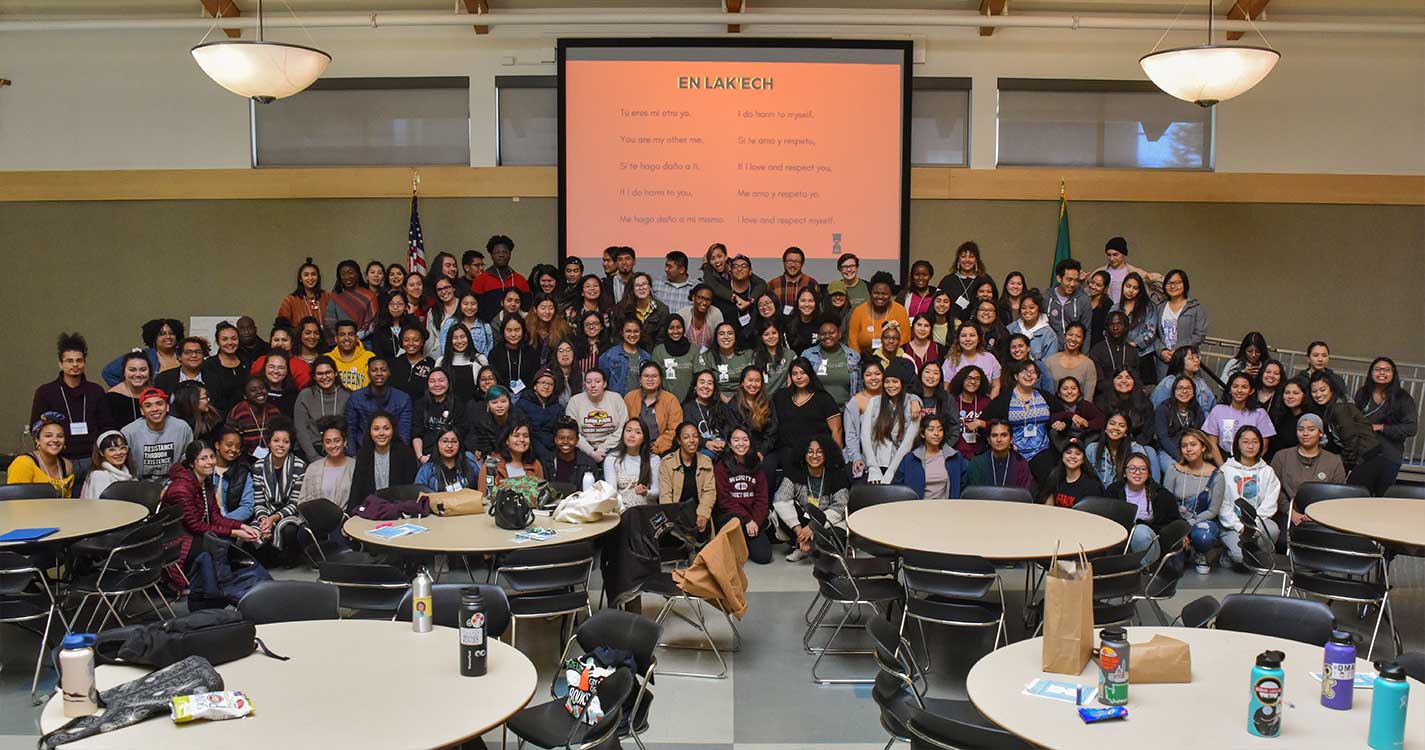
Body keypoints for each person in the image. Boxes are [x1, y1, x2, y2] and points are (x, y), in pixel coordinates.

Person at [161, 441, 261, 570]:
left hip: (194, 534)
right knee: (222, 548)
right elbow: (195, 526)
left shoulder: (205, 481)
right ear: (192, 463)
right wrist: (236, 533)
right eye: (203, 458)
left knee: (228, 545)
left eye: (212, 456)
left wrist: (242, 526)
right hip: (178, 539)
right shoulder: (182, 488)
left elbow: (215, 516)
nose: (210, 462)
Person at [1199, 427, 1279, 571]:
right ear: (1237, 444)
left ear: (1261, 444)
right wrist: (1239, 526)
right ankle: (1229, 553)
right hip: (1232, 525)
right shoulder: (1226, 470)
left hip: (1257, 523)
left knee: (1273, 530)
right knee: (1240, 557)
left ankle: (1258, 556)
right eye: (1245, 442)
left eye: (1255, 442)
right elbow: (1222, 505)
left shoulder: (1267, 471)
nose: (1250, 446)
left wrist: (1252, 525)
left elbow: (1270, 503)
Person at [31, 332, 111, 470]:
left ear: (84, 363)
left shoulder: (95, 391)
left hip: (92, 458)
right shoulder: (46, 392)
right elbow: (37, 427)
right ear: (60, 364)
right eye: (69, 361)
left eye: (79, 360)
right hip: (59, 458)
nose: (75, 365)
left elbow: (106, 425)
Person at [1310, 371, 1396, 495]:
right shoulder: (1332, 408)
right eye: (1314, 391)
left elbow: (1350, 439)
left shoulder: (1340, 408)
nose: (1318, 394)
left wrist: (1347, 466)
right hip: (1366, 457)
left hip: (1368, 458)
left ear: (1332, 389)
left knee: (1351, 498)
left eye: (1322, 390)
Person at [774, 436, 849, 562]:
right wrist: (800, 531)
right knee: (780, 512)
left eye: (819, 451)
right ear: (803, 453)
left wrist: (813, 527)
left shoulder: (837, 475)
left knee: (836, 538)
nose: (814, 455)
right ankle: (802, 543)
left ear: (827, 454)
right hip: (804, 520)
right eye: (810, 451)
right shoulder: (794, 472)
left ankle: (813, 547)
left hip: (829, 521)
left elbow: (840, 507)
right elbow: (781, 500)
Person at [1272, 413, 1347, 527]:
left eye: (1311, 429)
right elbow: (1274, 489)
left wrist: (1318, 515)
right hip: (1288, 515)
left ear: (1320, 433)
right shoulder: (1282, 457)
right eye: (1301, 429)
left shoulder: (1334, 461)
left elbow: (1339, 494)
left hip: (1324, 517)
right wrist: (1291, 512)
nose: (1305, 434)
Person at [1104, 452, 1182, 564]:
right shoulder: (1114, 491)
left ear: (1149, 473)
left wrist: (1181, 535)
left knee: (1140, 531)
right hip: (1120, 541)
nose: (1137, 473)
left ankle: (1142, 570)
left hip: (1151, 542)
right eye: (1132, 468)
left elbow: (1175, 521)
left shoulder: (1161, 494)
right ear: (1124, 473)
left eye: (1143, 469)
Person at [986, 359, 1055, 482]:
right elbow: (987, 420)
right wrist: (1008, 444)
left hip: (1041, 450)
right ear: (1016, 376)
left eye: (1033, 372)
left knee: (1048, 480)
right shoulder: (1004, 399)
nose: (1029, 375)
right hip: (1013, 451)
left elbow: (1060, 414)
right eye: (1024, 371)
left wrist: (1063, 422)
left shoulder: (1045, 396)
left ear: (1038, 378)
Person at [1161, 428, 1219, 572]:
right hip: (1176, 519)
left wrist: (1187, 526)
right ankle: (1184, 550)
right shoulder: (1173, 470)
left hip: (1201, 520)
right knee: (1174, 569)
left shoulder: (1217, 474)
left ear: (1203, 447)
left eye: (1193, 445)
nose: (1188, 449)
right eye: (1184, 446)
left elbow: (1213, 511)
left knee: (1203, 535)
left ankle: (1201, 552)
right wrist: (1179, 529)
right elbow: (1165, 503)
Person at [249, 420, 307, 564]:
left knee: (288, 530)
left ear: (290, 444)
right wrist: (264, 520)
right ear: (269, 443)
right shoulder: (258, 466)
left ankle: (289, 557)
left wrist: (273, 519)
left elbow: (296, 503)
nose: (280, 445)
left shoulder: (300, 466)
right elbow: (258, 501)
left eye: (285, 442)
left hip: (291, 514)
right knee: (254, 531)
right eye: (276, 440)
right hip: (265, 513)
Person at [1354, 356, 1417, 487]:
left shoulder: (1402, 398)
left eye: (1386, 370)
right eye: (1377, 369)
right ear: (1371, 372)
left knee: (1380, 499)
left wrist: (1381, 427)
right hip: (1364, 455)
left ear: (1393, 374)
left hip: (1389, 456)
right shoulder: (1363, 393)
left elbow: (1411, 428)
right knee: (1357, 495)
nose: (1382, 373)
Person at [714, 427, 772, 565]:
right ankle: (734, 542)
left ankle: (743, 541)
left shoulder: (756, 465)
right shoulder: (721, 466)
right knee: (735, 520)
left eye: (745, 440)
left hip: (751, 518)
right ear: (729, 443)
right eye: (736, 440)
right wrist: (747, 520)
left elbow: (762, 499)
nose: (741, 444)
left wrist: (755, 522)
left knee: (764, 557)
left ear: (750, 442)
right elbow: (724, 500)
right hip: (731, 518)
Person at [772, 358, 844, 462]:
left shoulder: (824, 398)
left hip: (816, 452)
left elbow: (836, 430)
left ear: (810, 374)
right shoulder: (781, 396)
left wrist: (836, 458)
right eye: (795, 374)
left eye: (803, 373)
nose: (799, 377)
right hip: (787, 452)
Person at [860, 361, 920, 485]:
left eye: (895, 381)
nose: (890, 385)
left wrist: (891, 472)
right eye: (887, 381)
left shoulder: (913, 404)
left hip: (902, 466)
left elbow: (908, 442)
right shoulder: (875, 402)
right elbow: (865, 436)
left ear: (902, 383)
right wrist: (873, 467)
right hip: (877, 463)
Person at [346, 412, 419, 511]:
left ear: (393, 430)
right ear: (369, 431)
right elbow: (357, 488)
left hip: (399, 511)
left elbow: (411, 489)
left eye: (386, 428)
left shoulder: (405, 453)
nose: (381, 433)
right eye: (376, 429)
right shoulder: (363, 454)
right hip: (371, 510)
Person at [122, 387, 193, 481]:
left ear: (167, 407)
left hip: (173, 483)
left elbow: (187, 458)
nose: (154, 409)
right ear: (142, 411)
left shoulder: (182, 428)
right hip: (138, 485)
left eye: (159, 404)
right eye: (148, 406)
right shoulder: (129, 432)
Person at [344, 358, 413, 454]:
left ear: (389, 372)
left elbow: (404, 433)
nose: (379, 373)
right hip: (363, 451)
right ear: (368, 373)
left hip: (393, 451)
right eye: (374, 370)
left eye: (383, 370)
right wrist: (352, 456)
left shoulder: (403, 399)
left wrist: (400, 457)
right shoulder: (356, 397)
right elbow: (350, 430)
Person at [1204, 372, 1276, 460]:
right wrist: (1223, 468)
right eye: (1235, 386)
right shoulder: (1218, 410)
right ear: (1230, 389)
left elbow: (1263, 447)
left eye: (1244, 387)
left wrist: (1247, 466)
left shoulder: (1260, 413)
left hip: (1250, 461)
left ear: (1251, 390)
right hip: (1222, 458)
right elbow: (1212, 443)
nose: (1239, 390)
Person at [661, 422, 717, 533]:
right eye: (686, 437)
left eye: (695, 436)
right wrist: (673, 519)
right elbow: (665, 495)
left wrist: (703, 514)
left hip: (700, 513)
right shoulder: (667, 462)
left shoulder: (706, 461)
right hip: (676, 515)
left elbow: (709, 491)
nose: (692, 440)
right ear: (679, 441)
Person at [1151, 269, 1208, 378]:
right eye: (1169, 283)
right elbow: (1154, 334)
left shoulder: (1195, 307)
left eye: (1177, 283)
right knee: (1166, 390)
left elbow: (1199, 334)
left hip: (1187, 360)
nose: (1173, 286)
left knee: (1186, 390)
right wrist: (1161, 350)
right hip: (1164, 361)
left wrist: (1178, 350)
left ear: (1185, 284)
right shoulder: (1160, 307)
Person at [893, 413, 964, 500]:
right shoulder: (910, 459)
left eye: (940, 429)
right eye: (931, 429)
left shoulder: (954, 457)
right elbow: (898, 487)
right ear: (923, 434)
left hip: (947, 509)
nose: (936, 433)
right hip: (918, 510)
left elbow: (963, 486)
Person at [566, 368, 628, 465]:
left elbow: (623, 427)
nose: (593, 385)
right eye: (588, 382)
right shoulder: (575, 401)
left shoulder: (615, 398)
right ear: (584, 385)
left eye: (598, 381)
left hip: (613, 448)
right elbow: (572, 432)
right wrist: (591, 452)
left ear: (604, 384)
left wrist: (603, 449)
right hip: (583, 449)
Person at [294, 357, 350, 460]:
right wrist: (314, 457)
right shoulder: (305, 395)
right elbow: (301, 430)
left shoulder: (347, 395)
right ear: (314, 377)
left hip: (340, 450)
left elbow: (351, 429)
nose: (324, 377)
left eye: (328, 372)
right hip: (312, 450)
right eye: (320, 374)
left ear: (335, 373)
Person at [622, 362, 682, 456]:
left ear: (660, 379)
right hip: (632, 448)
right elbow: (623, 425)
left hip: (661, 450)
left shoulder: (671, 400)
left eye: (654, 376)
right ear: (640, 380)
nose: (650, 379)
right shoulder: (629, 398)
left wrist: (656, 448)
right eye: (646, 376)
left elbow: (675, 429)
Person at [101, 318, 183, 387]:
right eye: (162, 334)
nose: (168, 337)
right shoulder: (143, 356)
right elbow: (108, 373)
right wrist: (130, 391)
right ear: (153, 337)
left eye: (172, 333)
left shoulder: (185, 355)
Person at [8, 413, 75, 497]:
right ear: (37, 440)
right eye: (48, 436)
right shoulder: (23, 463)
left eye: (60, 436)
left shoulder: (67, 465)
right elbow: (15, 501)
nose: (55, 440)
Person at [1087, 410, 1161, 486]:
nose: (1116, 428)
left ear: (1126, 432)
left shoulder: (1136, 450)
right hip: (1099, 495)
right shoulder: (1092, 449)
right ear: (1105, 428)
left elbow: (1143, 480)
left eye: (1121, 426)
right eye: (1112, 424)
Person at [846, 271, 910, 356]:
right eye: (876, 293)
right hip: (864, 362)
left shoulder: (900, 311)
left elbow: (904, 341)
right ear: (870, 293)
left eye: (884, 294)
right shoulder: (859, 311)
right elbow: (853, 343)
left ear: (891, 294)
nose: (880, 297)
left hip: (893, 360)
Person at [299, 417, 355, 509]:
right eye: (328, 442)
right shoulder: (313, 468)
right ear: (323, 445)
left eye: (337, 441)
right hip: (316, 520)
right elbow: (303, 501)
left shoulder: (355, 466)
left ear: (345, 442)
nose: (333, 446)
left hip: (347, 521)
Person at [801, 319, 861, 404]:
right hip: (816, 409)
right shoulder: (808, 355)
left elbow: (859, 387)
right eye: (823, 334)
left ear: (839, 334)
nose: (827, 336)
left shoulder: (853, 355)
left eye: (832, 333)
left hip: (846, 410)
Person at [471, 235, 531, 320]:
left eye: (505, 252)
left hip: (515, 330)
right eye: (497, 252)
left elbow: (527, 309)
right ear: (491, 255)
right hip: (489, 330)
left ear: (510, 254)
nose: (501, 255)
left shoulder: (520, 280)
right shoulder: (480, 280)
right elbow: (474, 309)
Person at [842, 360, 883, 479]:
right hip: (862, 455)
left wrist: (915, 399)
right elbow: (851, 435)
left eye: (877, 373)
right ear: (863, 378)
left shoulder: (891, 396)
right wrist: (856, 458)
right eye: (868, 375)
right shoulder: (855, 402)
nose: (873, 378)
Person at [965, 420, 1033, 492]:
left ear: (1011, 439)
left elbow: (1024, 494)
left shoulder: (1021, 463)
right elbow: (974, 494)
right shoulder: (977, 463)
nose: (999, 439)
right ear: (988, 440)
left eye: (1004, 435)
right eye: (994, 435)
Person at [477, 421, 547, 490]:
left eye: (526, 436)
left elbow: (541, 495)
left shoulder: (535, 465)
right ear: (506, 440)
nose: (522, 439)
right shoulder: (491, 465)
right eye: (516, 436)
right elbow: (484, 495)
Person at [1093, 236, 1163, 304]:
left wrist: (1153, 277)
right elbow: (1087, 291)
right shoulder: (1099, 272)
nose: (1111, 258)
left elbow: (1164, 284)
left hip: (1129, 312)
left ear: (1123, 254)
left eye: (1115, 255)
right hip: (1106, 312)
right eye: (1109, 255)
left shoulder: (1135, 272)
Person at [1150, 346, 1216, 415]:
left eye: (1197, 357)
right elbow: (1157, 408)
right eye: (1191, 358)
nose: (1197, 360)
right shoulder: (1168, 383)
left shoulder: (1201, 383)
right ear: (1180, 361)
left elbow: (1212, 405)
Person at [226, 376, 282, 458]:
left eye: (262, 388)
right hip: (244, 460)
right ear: (245, 395)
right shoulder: (238, 413)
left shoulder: (274, 411)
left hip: (273, 458)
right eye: (253, 390)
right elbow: (231, 443)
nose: (259, 391)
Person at [1099, 367, 1157, 445]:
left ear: (1134, 381)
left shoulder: (1144, 402)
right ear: (1112, 381)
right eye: (1119, 377)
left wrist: (1135, 444)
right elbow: (1101, 429)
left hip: (1137, 444)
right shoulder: (1103, 402)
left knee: (1150, 451)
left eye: (1128, 377)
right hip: (1109, 443)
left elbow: (1148, 430)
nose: (1123, 381)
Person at [1154, 375, 1206, 463]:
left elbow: (1200, 434)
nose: (1184, 391)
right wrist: (1179, 456)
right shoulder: (1163, 408)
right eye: (1180, 388)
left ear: (1194, 392)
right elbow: (1163, 437)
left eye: (1188, 388)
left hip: (1191, 450)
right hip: (1168, 451)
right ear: (1174, 391)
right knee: (1174, 468)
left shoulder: (1196, 408)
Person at [1039, 437, 1103, 508]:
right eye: (1068, 452)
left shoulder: (1092, 486)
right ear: (1062, 456)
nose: (1072, 456)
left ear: (1083, 459)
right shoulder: (1055, 478)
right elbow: (1048, 509)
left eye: (1078, 453)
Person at [613, 272, 670, 352]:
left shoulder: (662, 310)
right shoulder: (621, 308)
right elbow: (616, 337)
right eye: (637, 285)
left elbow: (661, 340)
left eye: (644, 284)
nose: (641, 288)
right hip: (625, 354)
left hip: (652, 355)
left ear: (650, 287)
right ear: (632, 289)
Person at [1090, 311, 1140, 400]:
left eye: (1119, 324)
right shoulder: (1097, 350)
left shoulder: (1132, 351)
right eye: (1112, 324)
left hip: (1129, 398)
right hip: (1104, 399)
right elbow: (1099, 384)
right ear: (1106, 328)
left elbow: (1137, 381)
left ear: (1126, 327)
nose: (1116, 328)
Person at [1007, 289, 1059, 373]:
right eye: (1023, 308)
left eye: (1031, 307)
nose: (1027, 311)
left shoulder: (1049, 335)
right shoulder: (1011, 328)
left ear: (1039, 309)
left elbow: (1048, 366)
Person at [944, 322, 1001, 399]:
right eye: (964, 336)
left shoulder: (990, 358)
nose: (968, 339)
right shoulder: (951, 360)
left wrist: (990, 405)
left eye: (972, 335)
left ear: (979, 338)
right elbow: (946, 388)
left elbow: (996, 386)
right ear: (958, 339)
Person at [516, 370, 564, 461]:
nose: (546, 387)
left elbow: (558, 431)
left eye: (550, 384)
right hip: (529, 448)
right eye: (543, 383)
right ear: (535, 386)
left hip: (552, 448)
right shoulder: (522, 404)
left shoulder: (558, 408)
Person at [695, 322, 750, 400]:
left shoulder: (747, 355)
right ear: (716, 337)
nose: (726, 337)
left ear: (735, 336)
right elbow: (705, 384)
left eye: (730, 333)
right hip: (716, 400)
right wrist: (725, 400)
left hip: (744, 399)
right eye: (721, 334)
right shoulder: (707, 357)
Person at [324, 259, 378, 339]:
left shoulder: (369, 296)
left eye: (350, 273)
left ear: (357, 274)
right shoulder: (335, 296)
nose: (347, 277)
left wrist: (358, 336)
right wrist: (342, 337)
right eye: (343, 274)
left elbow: (373, 321)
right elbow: (329, 321)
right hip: (340, 341)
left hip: (364, 342)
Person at [1047, 376, 1105, 450]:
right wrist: (1070, 416)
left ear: (1079, 393)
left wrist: (1087, 424)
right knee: (1053, 432)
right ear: (1059, 393)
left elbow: (1101, 419)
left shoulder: (1085, 405)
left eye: (1073, 388)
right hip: (1064, 439)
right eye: (1065, 389)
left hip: (1084, 437)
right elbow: (1049, 417)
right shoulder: (1055, 405)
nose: (1069, 392)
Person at [681, 370, 730, 457]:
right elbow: (686, 435)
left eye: (710, 383)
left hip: (722, 445)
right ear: (695, 386)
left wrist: (725, 442)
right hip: (700, 448)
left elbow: (729, 429)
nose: (706, 386)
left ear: (714, 387)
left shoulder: (722, 406)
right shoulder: (687, 408)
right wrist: (706, 443)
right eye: (702, 382)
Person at [437, 323, 489, 404]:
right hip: (449, 409)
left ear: (468, 338)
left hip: (474, 408)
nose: (459, 341)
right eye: (455, 338)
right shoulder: (441, 362)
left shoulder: (480, 360)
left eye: (462, 337)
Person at [936, 241, 988, 321]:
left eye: (971, 257)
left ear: (976, 260)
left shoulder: (985, 280)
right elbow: (936, 303)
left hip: (979, 325)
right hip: (952, 324)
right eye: (963, 256)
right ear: (958, 259)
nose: (967, 260)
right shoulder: (948, 281)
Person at [415, 427, 480, 492]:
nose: (449, 445)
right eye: (444, 441)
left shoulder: (471, 466)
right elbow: (418, 495)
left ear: (460, 444)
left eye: (454, 442)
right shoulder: (427, 470)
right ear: (437, 444)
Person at [213, 426, 255, 524]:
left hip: (230, 522)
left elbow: (247, 507)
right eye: (229, 444)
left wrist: (223, 521)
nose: (233, 449)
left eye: (237, 446)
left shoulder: (243, 473)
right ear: (217, 445)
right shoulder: (205, 467)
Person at [1044, 322, 1097, 400]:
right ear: (1065, 336)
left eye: (1078, 336)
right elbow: (1045, 392)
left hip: (1079, 409)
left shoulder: (1088, 364)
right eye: (1070, 334)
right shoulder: (1050, 361)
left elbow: (1088, 397)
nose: (1073, 339)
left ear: (1082, 340)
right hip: (1054, 408)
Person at [651, 315, 698, 401]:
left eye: (679, 327)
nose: (675, 331)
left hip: (690, 401)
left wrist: (691, 398)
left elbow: (699, 376)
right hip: (665, 401)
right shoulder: (659, 351)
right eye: (671, 328)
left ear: (683, 328)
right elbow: (654, 378)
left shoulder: (693, 349)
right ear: (666, 330)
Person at [489, 315, 539, 395]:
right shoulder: (495, 353)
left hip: (527, 396)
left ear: (523, 331)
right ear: (503, 331)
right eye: (509, 330)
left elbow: (535, 378)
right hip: (501, 396)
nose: (513, 334)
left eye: (517, 330)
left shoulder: (531, 352)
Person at [949, 365, 991, 459]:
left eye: (977, 379)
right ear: (961, 380)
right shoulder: (951, 401)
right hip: (956, 453)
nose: (973, 382)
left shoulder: (986, 402)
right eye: (969, 378)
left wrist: (981, 423)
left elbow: (997, 425)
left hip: (981, 454)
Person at [252, 326, 312, 391]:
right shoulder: (261, 361)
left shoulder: (301, 366)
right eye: (276, 340)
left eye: (284, 340)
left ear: (291, 343)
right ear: (271, 343)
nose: (280, 344)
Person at [1046, 259, 1090, 347]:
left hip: (1075, 353)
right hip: (1051, 352)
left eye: (1076, 280)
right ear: (1059, 278)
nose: (1073, 284)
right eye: (1069, 279)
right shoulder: (1046, 297)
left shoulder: (1083, 300)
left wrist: (1083, 356)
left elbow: (1087, 330)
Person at [276, 258, 328, 330]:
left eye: (313, 274)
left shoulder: (327, 297)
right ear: (300, 279)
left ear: (318, 277)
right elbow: (282, 326)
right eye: (306, 275)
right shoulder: (290, 300)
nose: (310, 278)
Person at [545, 417, 600, 485]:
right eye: (561, 438)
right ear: (555, 439)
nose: (565, 441)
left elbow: (595, 491)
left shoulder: (588, 463)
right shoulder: (547, 462)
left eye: (570, 438)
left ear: (577, 440)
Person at [467, 385, 515, 459]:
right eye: (494, 402)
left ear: (509, 402)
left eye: (503, 401)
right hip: (494, 458)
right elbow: (486, 448)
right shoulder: (483, 422)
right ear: (488, 404)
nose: (499, 406)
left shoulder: (519, 419)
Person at [105, 351, 152, 427]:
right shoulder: (111, 398)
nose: (138, 374)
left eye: (143, 370)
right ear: (123, 372)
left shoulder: (155, 394)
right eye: (132, 370)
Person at [388, 325, 435, 400]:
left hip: (421, 409)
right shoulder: (393, 363)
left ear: (422, 342)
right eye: (406, 340)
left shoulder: (431, 364)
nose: (411, 343)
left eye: (416, 340)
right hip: (396, 408)